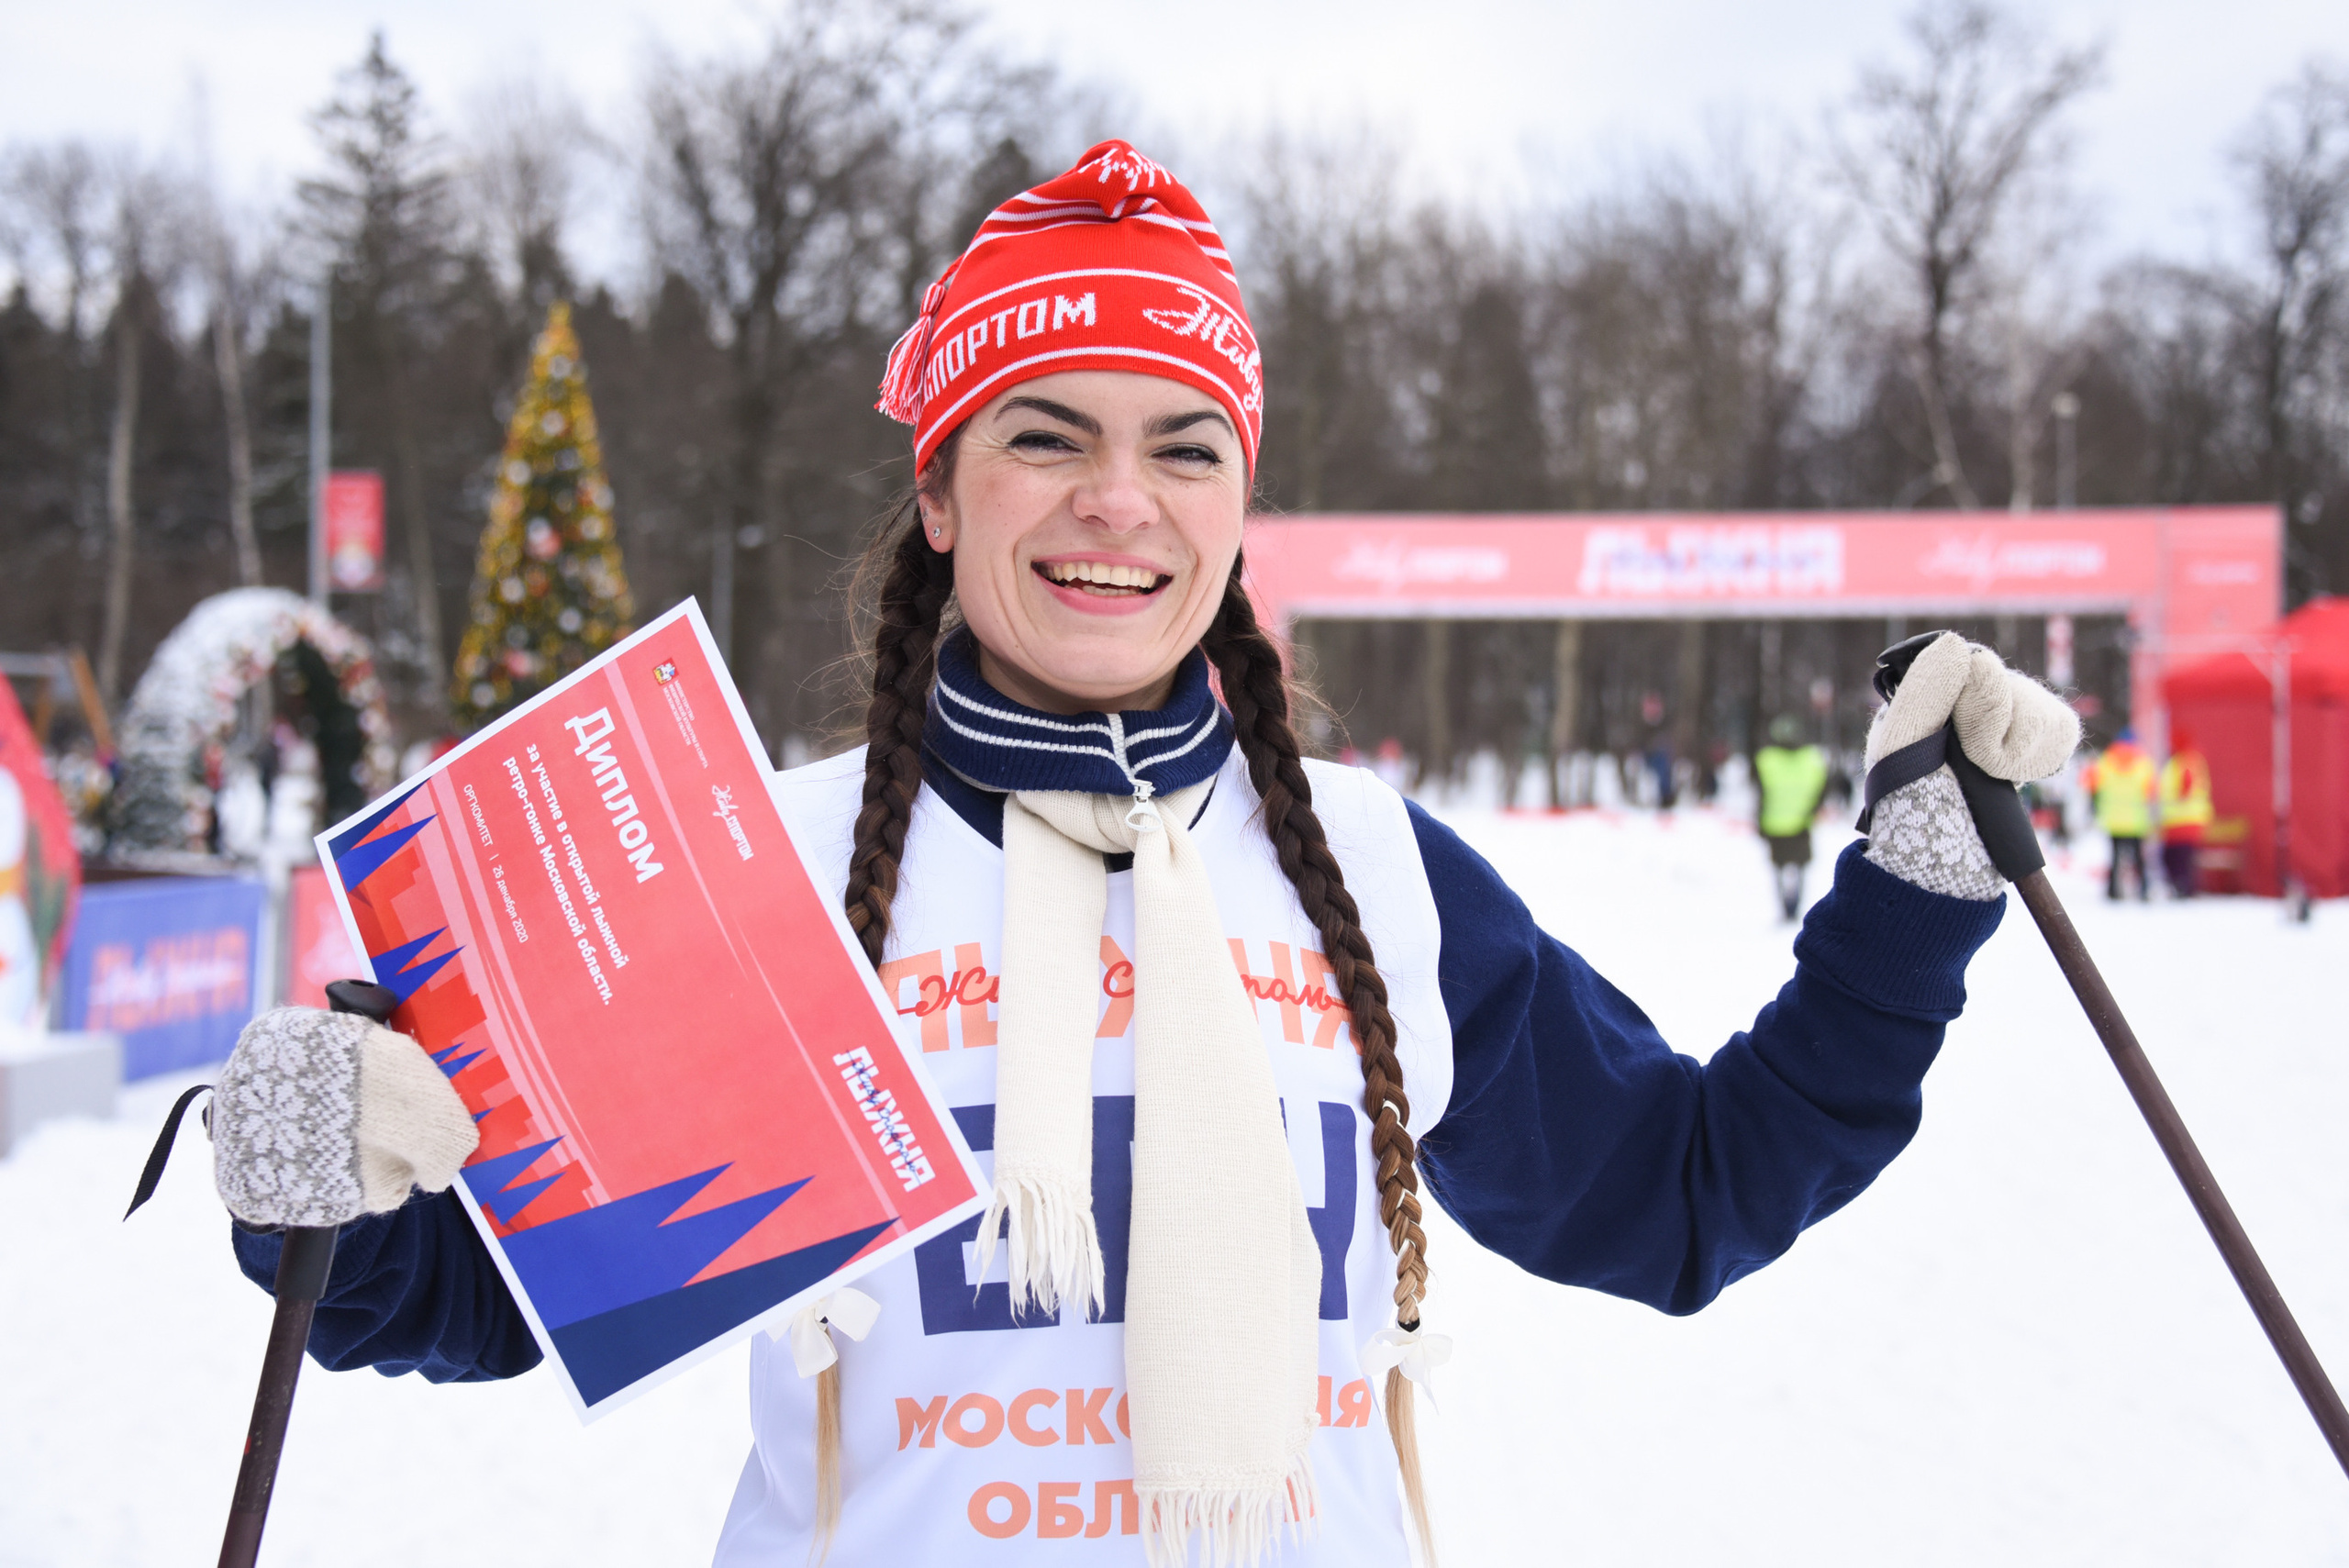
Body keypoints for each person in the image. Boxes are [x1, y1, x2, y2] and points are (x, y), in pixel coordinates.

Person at [204, 143, 2080, 1567]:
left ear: (1237, 500)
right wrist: (325, 1187)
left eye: (1185, 446)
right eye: (1046, 435)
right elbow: (473, 1290)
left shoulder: (1377, 878)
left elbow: (1684, 1190)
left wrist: (1912, 888)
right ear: (939, 490)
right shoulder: (745, 865)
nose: (1120, 498)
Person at [1753, 716, 1831, 922]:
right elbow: (1822, 791)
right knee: (1801, 866)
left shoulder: (1766, 760)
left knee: (1778, 867)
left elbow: (1760, 794)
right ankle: (1795, 906)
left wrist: (1758, 820)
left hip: (1774, 823)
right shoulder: (1812, 759)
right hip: (1802, 823)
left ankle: (1783, 908)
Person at [2085, 728, 2155, 901]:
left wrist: (2095, 807)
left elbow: (2092, 786)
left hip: (2113, 820)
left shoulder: (2105, 763)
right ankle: (2143, 890)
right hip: (2136, 820)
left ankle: (2113, 891)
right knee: (2138, 859)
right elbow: (2151, 792)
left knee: (2115, 859)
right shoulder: (2144, 764)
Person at [2158, 729, 2214, 898]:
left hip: (2181, 819)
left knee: (2175, 858)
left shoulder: (2182, 761)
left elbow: (2185, 786)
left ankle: (2183, 889)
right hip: (2192, 818)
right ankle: (2185, 888)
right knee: (2182, 858)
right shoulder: (2195, 760)